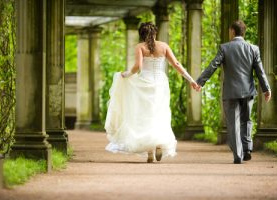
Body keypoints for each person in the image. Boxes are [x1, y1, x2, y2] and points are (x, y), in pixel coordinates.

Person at [104, 22, 198, 163]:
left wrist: (125, 75)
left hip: (144, 84)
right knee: (160, 113)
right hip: (160, 84)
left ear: (141, 34)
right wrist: (191, 80)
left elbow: (138, 67)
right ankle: (159, 144)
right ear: (155, 33)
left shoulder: (140, 47)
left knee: (145, 114)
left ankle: (149, 151)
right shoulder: (164, 46)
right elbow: (176, 64)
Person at [195, 20, 271, 164]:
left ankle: (238, 155)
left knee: (233, 124)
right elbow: (260, 72)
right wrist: (266, 88)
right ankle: (247, 148)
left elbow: (213, 66)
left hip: (230, 92)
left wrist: (200, 82)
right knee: (247, 120)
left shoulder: (224, 48)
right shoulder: (253, 49)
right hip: (248, 91)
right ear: (244, 32)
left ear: (232, 31)